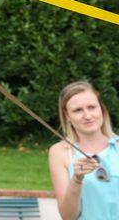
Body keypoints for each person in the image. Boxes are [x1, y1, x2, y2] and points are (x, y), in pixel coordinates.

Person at [48, 81, 119, 219]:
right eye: (78, 110)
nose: (87, 116)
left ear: (101, 110)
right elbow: (68, 216)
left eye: (92, 107)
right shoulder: (60, 153)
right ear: (67, 116)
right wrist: (77, 179)